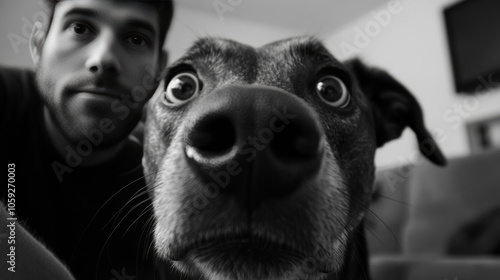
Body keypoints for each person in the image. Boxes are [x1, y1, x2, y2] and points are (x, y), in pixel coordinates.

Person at [1, 0, 174, 279]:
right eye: (80, 27)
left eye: (136, 38)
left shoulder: (166, 187)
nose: (104, 58)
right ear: (38, 45)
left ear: (159, 69)